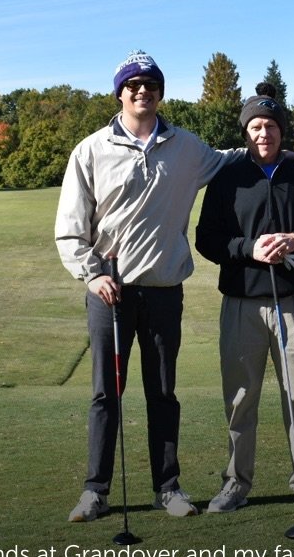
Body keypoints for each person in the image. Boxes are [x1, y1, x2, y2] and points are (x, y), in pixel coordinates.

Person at [56, 50, 238, 521]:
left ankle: (168, 488)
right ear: (119, 92)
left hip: (163, 289)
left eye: (150, 84)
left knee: (162, 393)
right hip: (109, 291)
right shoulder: (91, 149)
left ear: (160, 92)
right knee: (105, 394)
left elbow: (229, 161)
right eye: (133, 84)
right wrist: (92, 274)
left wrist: (268, 138)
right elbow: (71, 227)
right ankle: (95, 491)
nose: (142, 90)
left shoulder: (186, 147)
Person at [194, 88, 294, 514]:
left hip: (293, 302)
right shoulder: (228, 176)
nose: (263, 134)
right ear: (246, 131)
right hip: (242, 303)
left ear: (282, 131)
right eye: (255, 126)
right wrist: (248, 249)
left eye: (271, 126)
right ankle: (236, 484)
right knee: (241, 398)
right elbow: (207, 240)